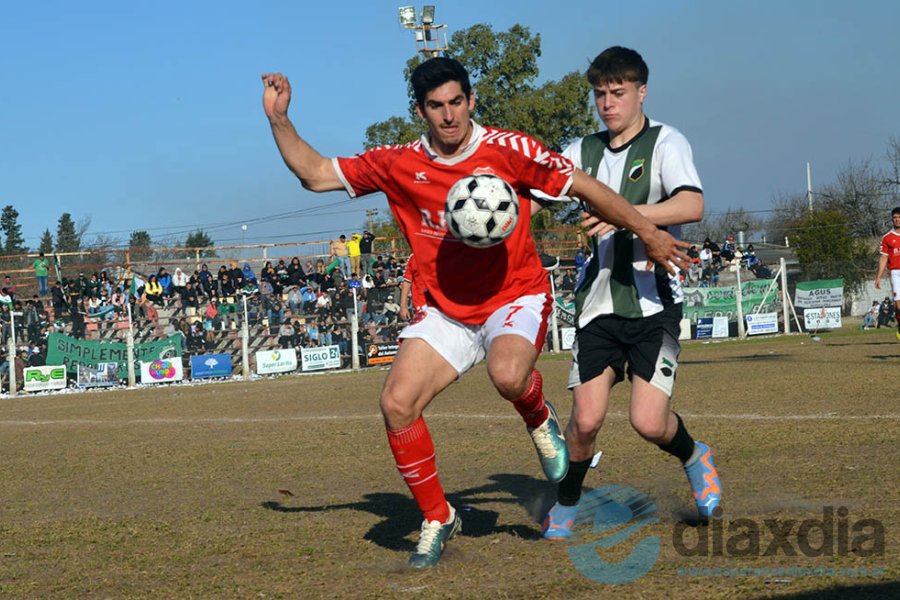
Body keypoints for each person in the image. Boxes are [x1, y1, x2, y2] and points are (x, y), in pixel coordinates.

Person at [261, 56, 687, 568]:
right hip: (446, 310)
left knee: (508, 375)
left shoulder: (511, 151)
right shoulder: (397, 164)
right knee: (397, 404)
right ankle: (439, 516)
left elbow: (587, 188)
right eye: (436, 106)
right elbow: (313, 174)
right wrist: (279, 119)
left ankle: (538, 415)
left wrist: (647, 230)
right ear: (420, 110)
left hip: (514, 296)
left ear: (471, 101)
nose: (448, 115)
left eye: (456, 102)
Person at [539, 47, 721, 540]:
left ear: (642, 91)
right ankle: (568, 501)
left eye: (618, 93)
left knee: (647, 422)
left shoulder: (666, 142)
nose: (607, 103)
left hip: (653, 305)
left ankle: (692, 454)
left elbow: (693, 203)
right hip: (596, 308)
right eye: (600, 94)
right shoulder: (580, 152)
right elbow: (537, 188)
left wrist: (624, 214)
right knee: (584, 422)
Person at [874, 206, 900, 341]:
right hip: (895, 272)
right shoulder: (887, 238)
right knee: (898, 304)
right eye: (895, 217)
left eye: (899, 217)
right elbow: (884, 257)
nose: (897, 220)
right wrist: (878, 276)